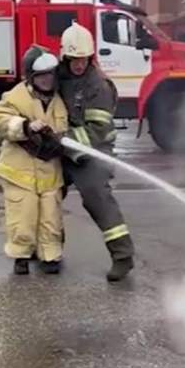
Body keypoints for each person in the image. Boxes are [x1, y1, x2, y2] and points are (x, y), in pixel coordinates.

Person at [58, 22, 135, 282]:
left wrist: (64, 140)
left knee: (96, 197)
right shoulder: (57, 76)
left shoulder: (98, 85)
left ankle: (123, 256)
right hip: (62, 148)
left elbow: (98, 130)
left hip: (92, 151)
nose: (79, 64)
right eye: (74, 59)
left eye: (84, 59)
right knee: (46, 194)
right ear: (64, 56)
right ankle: (48, 250)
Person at [0, 46, 68, 275]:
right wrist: (25, 126)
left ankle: (50, 256)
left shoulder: (58, 99)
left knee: (50, 217)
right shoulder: (16, 96)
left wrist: (59, 139)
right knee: (23, 216)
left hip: (50, 171)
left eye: (50, 74)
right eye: (42, 75)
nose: (47, 79)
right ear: (31, 77)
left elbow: (63, 128)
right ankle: (21, 256)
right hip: (19, 171)